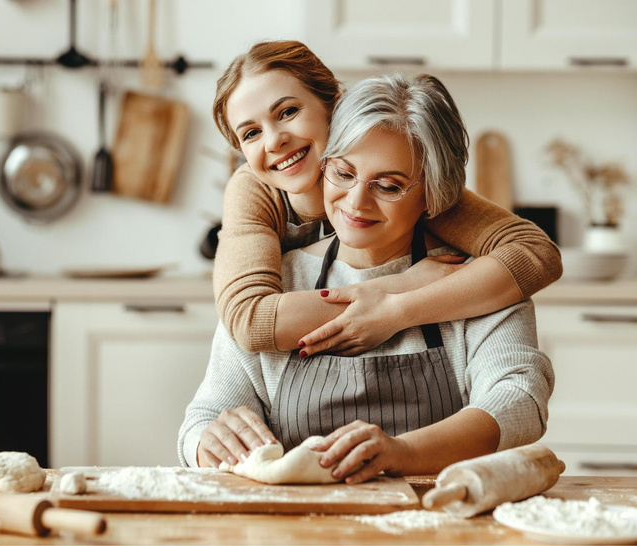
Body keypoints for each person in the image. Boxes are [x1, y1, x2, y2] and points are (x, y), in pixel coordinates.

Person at [179, 72, 554, 484]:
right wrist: (207, 441)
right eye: (342, 173)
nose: (356, 202)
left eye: (389, 185)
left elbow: (520, 400)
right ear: (322, 165)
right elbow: (203, 418)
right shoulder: (276, 282)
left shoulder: (474, 281)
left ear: (433, 194)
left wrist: (403, 452)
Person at [211, 40, 562, 358]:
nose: (274, 141)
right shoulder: (253, 191)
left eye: (288, 112)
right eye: (251, 133)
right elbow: (251, 320)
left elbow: (535, 253)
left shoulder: (393, 184)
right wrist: (403, 284)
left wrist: (401, 311)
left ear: (334, 104)